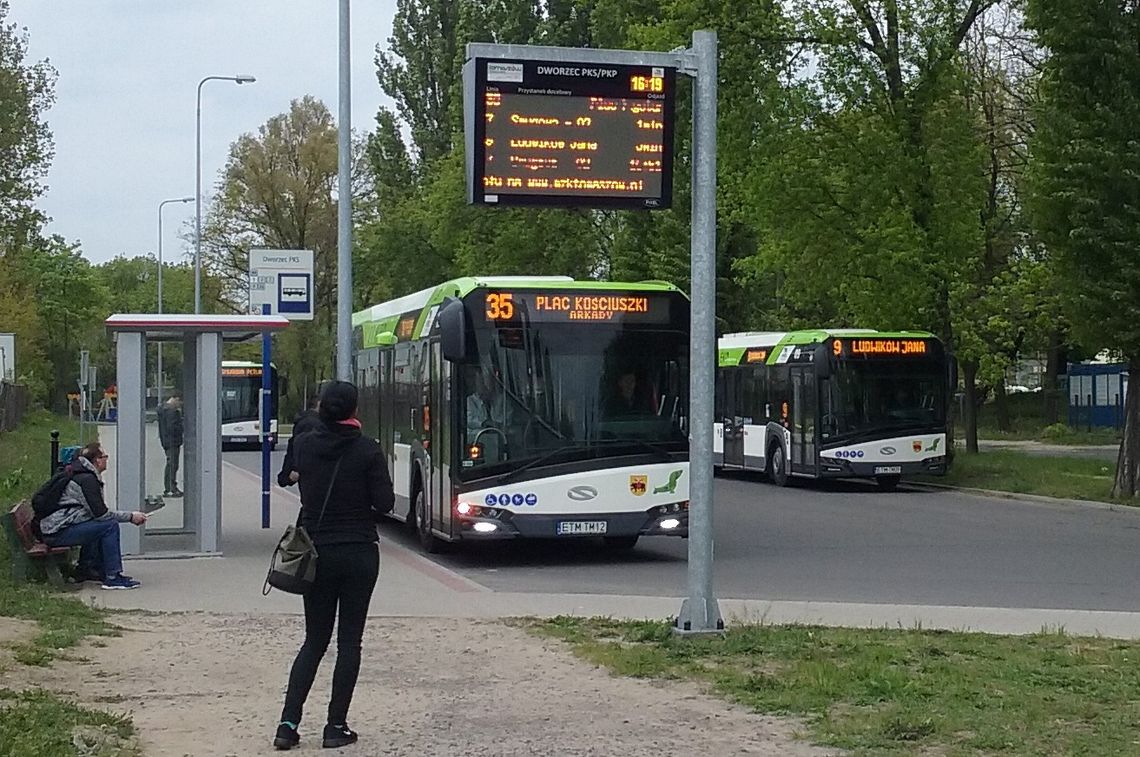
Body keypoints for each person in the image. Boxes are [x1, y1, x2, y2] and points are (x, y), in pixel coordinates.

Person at [274, 380, 394, 751]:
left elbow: (290, 476)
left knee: (314, 640)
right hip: (358, 552)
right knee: (349, 642)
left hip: (317, 552)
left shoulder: (306, 445)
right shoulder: (368, 450)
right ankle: (335, 725)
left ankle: (288, 725)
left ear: (322, 406)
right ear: (355, 410)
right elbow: (385, 502)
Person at [37, 442, 147, 590]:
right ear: (97, 460)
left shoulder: (82, 475)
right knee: (109, 526)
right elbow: (102, 514)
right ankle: (113, 577)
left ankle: (87, 569)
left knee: (99, 525)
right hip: (57, 532)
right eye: (104, 456)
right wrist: (131, 517)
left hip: (54, 529)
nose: (107, 459)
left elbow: (95, 514)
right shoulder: (87, 480)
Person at [277, 394, 321, 489]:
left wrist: (288, 473)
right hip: (312, 475)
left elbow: (293, 448)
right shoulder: (314, 423)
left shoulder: (302, 421)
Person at [465, 367, 511, 437]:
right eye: (481, 382)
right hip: (476, 439)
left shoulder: (502, 401)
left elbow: (508, 420)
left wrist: (497, 425)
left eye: (487, 383)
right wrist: (484, 423)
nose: (484, 386)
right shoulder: (469, 401)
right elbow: (468, 420)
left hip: (501, 437)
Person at [157, 394, 184, 497]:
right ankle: (171, 488)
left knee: (170, 464)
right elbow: (173, 427)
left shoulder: (163, 410)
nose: (179, 405)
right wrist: (182, 427)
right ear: (175, 399)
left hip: (166, 441)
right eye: (179, 402)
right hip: (173, 441)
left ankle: (169, 487)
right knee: (173, 464)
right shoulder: (172, 412)